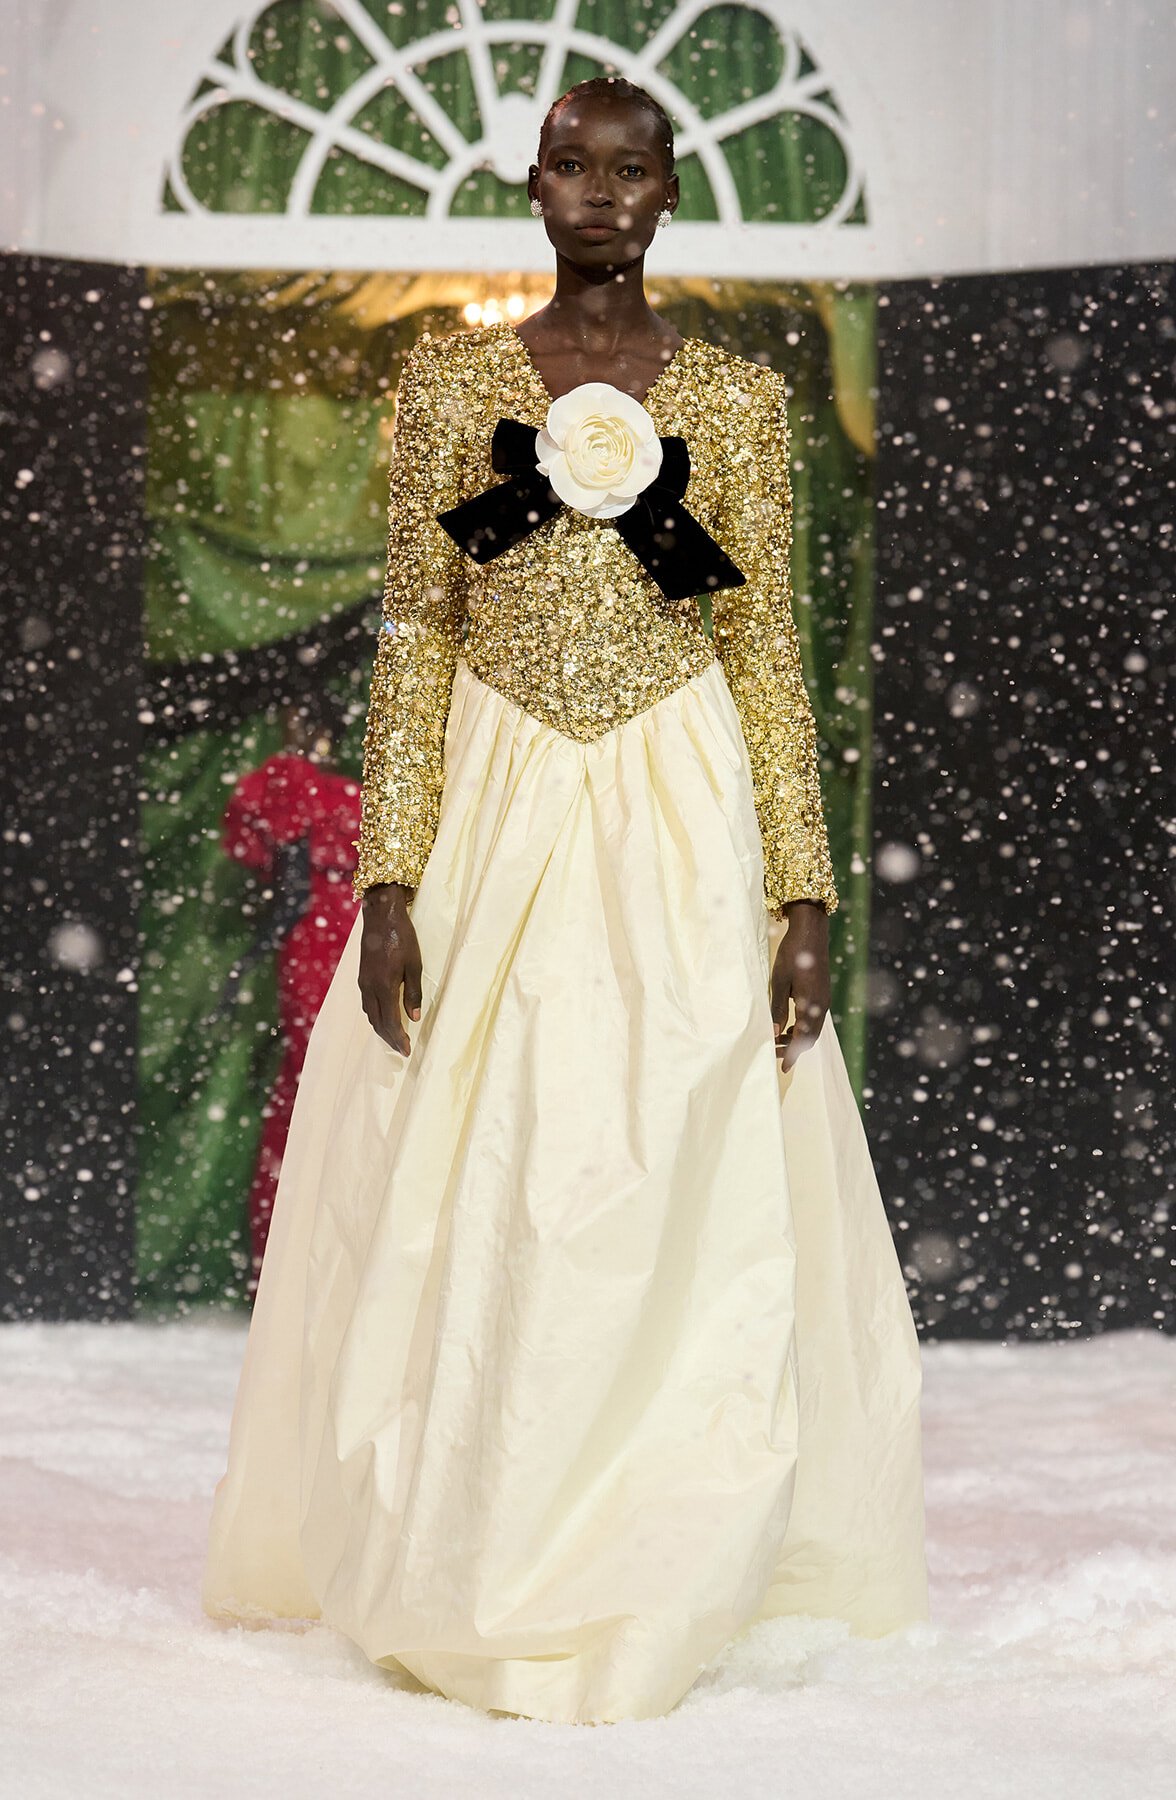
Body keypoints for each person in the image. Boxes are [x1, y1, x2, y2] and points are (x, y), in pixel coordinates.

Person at [203, 78, 927, 1725]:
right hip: (497, 797)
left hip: (678, 806)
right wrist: (392, 871)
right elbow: (420, 630)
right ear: (533, 187)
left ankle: (659, 1542)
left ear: (669, 192)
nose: (600, 191)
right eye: (570, 164)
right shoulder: (453, 382)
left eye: (631, 167)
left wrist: (802, 891)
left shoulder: (733, 399)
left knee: (672, 1161)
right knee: (488, 1168)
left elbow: (758, 645)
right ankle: (481, 1523)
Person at [220, 702, 361, 1287]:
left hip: (340, 934)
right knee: (321, 1083)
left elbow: (269, 859)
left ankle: (306, 1261)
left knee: (325, 1086)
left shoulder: (311, 788)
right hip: (330, 934)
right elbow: (260, 851)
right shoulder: (313, 790)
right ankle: (302, 1262)